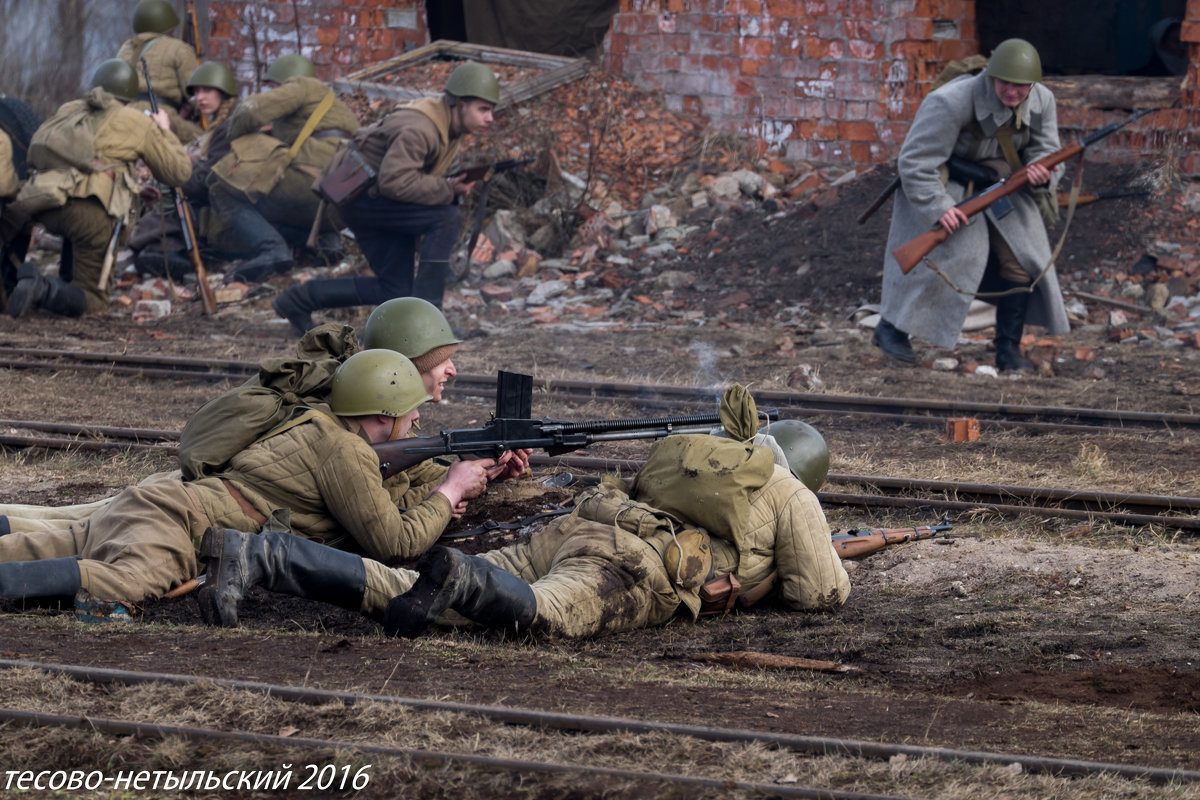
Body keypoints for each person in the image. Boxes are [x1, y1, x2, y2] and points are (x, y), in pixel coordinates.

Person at [194, 391, 851, 639]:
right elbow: (816, 593)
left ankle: (262, 556)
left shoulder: (696, 454)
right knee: (548, 615)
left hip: (580, 527)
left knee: (419, 586)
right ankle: (466, 579)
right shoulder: (792, 493)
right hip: (631, 565)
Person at [0, 350, 496, 610]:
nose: (415, 421)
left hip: (160, 500)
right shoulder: (346, 451)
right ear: (384, 412)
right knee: (131, 585)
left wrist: (452, 483)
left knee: (49, 545)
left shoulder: (320, 422)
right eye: (410, 413)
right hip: (176, 520)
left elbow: (380, 498)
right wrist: (448, 491)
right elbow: (391, 540)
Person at [0, 297, 524, 533]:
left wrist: (479, 469)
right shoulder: (345, 412)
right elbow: (374, 488)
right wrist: (450, 486)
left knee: (72, 521)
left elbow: (396, 467)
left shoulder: (357, 399)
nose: (453, 370)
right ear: (401, 371)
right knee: (74, 527)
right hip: (206, 499)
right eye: (440, 361)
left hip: (203, 491)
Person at [873, 38, 1069, 372]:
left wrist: (1041, 172)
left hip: (1005, 185)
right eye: (1006, 83)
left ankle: (1008, 351)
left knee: (1023, 257)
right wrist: (939, 207)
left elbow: (1048, 152)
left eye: (1021, 87)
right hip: (945, 181)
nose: (1013, 93)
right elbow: (916, 162)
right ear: (992, 77)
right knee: (952, 252)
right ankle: (890, 329)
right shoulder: (950, 102)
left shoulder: (1042, 101)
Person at [272, 61, 499, 335]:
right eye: (483, 109)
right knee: (447, 218)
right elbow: (395, 182)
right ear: (460, 104)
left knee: (395, 290)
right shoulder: (421, 129)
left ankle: (297, 300)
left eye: (491, 111)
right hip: (365, 200)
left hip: (373, 200)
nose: (490, 118)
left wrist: (450, 185)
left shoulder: (448, 124)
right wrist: (448, 189)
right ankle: (429, 327)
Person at [6, 59, 192, 318]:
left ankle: (32, 286)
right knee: (93, 300)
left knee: (83, 225)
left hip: (44, 202)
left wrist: (135, 193)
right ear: (128, 93)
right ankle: (42, 288)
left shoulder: (69, 109)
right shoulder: (136, 121)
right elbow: (178, 171)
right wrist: (165, 130)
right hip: (88, 214)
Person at [206, 54, 358, 284]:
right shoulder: (337, 111)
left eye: (274, 87)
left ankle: (272, 250)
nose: (273, 92)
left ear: (287, 81)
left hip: (314, 181)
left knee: (222, 189)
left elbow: (250, 110)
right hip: (345, 204)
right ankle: (327, 245)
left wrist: (232, 140)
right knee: (285, 199)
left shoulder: (303, 86)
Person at [130, 61, 240, 280]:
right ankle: (156, 253)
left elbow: (205, 183)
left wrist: (177, 165)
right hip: (222, 204)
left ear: (223, 92)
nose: (199, 97)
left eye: (207, 90)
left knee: (169, 205)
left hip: (224, 209)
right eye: (197, 92)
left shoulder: (228, 127)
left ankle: (141, 249)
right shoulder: (225, 122)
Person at [115, 0, 203, 144]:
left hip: (125, 114)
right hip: (162, 114)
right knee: (206, 140)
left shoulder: (127, 48)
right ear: (168, 24)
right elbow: (194, 94)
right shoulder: (179, 49)